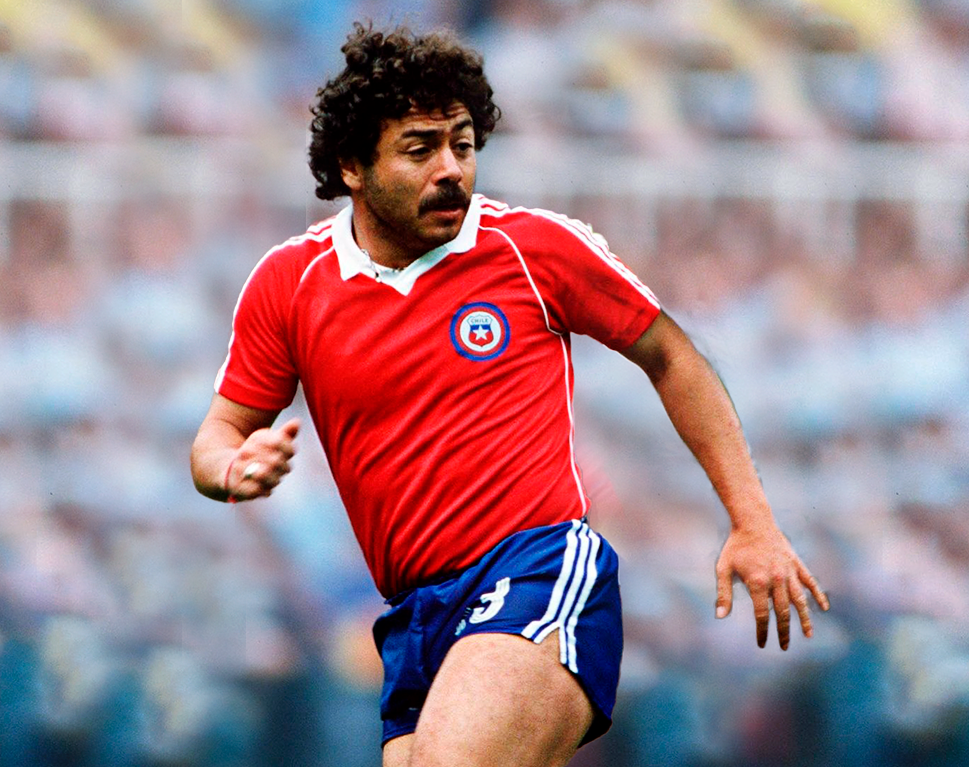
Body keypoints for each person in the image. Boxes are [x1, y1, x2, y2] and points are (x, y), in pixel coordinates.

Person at [191, 22, 830, 767]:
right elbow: (218, 435)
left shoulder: (533, 248)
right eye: (420, 149)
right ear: (352, 166)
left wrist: (752, 520)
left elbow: (674, 357)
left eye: (462, 145)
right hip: (416, 616)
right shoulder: (289, 283)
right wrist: (231, 470)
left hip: (538, 569)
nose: (451, 170)